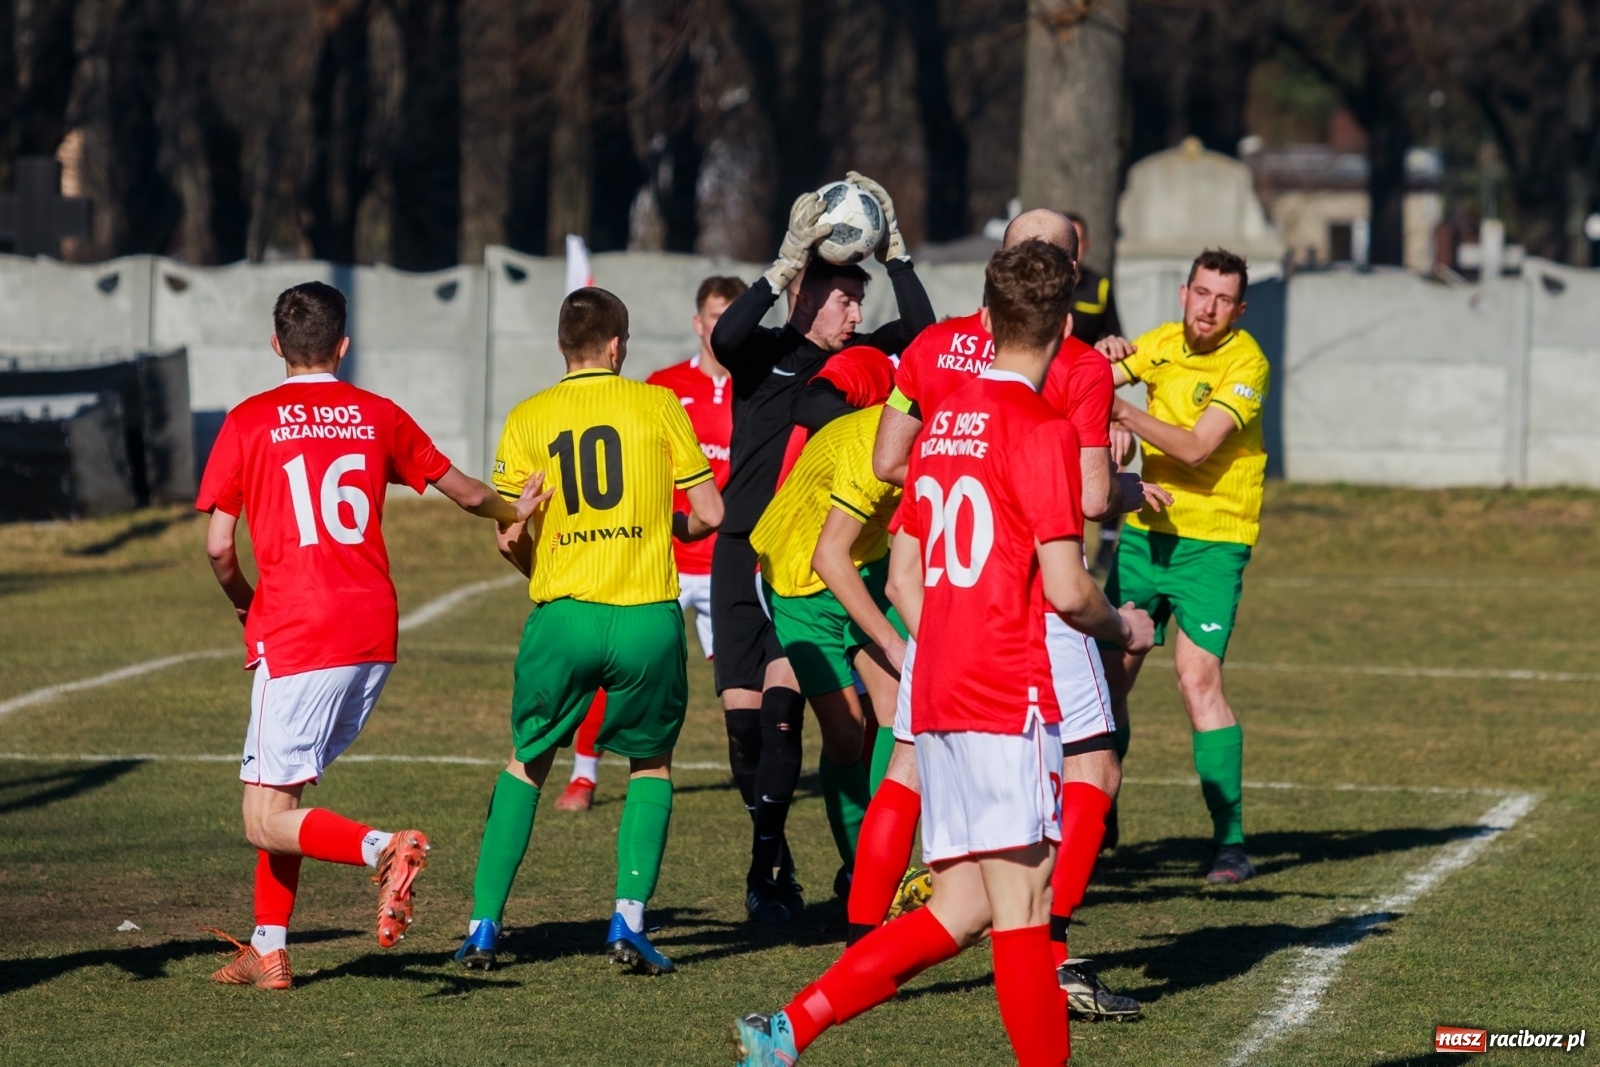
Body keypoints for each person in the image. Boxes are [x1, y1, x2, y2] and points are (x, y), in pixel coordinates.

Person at [731, 240, 1153, 1067]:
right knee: (1026, 913)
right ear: (1066, 326)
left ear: (988, 318)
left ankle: (789, 1028)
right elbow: (1069, 591)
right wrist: (1123, 628)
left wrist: (950, 646)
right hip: (1008, 693)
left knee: (958, 908)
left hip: (944, 685)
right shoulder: (1045, 431)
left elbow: (904, 580)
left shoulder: (943, 420)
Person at [197, 281, 549, 990]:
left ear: (276, 347)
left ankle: (383, 846)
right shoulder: (377, 414)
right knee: (285, 794)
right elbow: (469, 494)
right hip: (372, 632)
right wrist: (521, 503)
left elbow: (217, 546)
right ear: (343, 346)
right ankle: (269, 950)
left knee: (260, 818)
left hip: (298, 632)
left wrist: (245, 604)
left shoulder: (248, 420)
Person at [863, 208, 1166, 1020]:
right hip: (1025, 611)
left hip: (943, 604)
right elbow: (1093, 499)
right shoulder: (1074, 369)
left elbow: (890, 460)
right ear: (1065, 294)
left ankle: (847, 958)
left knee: (911, 784)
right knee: (1090, 775)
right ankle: (1058, 955)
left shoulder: (934, 353)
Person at [453, 287, 723, 974]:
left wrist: (541, 564)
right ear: (618, 346)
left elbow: (509, 537)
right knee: (652, 764)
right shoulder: (659, 404)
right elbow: (711, 513)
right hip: (645, 616)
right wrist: (664, 525)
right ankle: (628, 922)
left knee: (527, 760)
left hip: (564, 614)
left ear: (560, 348)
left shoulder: (527, 416)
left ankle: (484, 925)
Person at [711, 171, 934, 920]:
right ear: (807, 296)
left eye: (860, 297)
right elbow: (725, 335)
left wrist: (898, 254)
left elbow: (929, 336)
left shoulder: (863, 360)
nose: (856, 309)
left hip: (812, 559)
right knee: (747, 732)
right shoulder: (764, 351)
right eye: (844, 296)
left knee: (794, 716)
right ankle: (770, 862)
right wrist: (783, 263)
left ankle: (839, 874)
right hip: (745, 551)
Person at [1095, 247, 1269, 885]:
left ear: (1239, 309)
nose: (1210, 308)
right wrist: (1101, 369)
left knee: (1198, 683)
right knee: (1106, 685)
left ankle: (1230, 843)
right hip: (1144, 535)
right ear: (1183, 293)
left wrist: (1124, 417)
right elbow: (1084, 383)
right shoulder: (1160, 343)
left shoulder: (1247, 362)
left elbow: (1196, 448)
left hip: (1213, 544)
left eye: (1224, 299)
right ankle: (1098, 805)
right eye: (1202, 293)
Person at [553, 275, 746, 813]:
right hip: (661, 561)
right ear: (698, 322)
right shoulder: (660, 390)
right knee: (614, 668)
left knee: (745, 685)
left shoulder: (757, 391)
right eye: (714, 315)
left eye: (734, 316)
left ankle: (755, 782)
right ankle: (585, 776)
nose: (722, 326)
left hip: (730, 562)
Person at [748, 352, 904, 919]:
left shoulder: (941, 434)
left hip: (864, 561)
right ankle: (864, 867)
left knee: (897, 712)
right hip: (799, 577)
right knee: (845, 734)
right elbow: (826, 556)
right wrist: (892, 641)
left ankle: (888, 865)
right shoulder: (873, 452)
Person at [1061, 211, 1132, 576]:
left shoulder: (1099, 286)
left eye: (1077, 241)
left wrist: (1114, 345)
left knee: (1118, 447)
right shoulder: (1034, 286)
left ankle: (1106, 543)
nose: (1072, 249)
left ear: (1085, 246)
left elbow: (1114, 336)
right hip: (1050, 397)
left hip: (1089, 395)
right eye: (1065, 241)